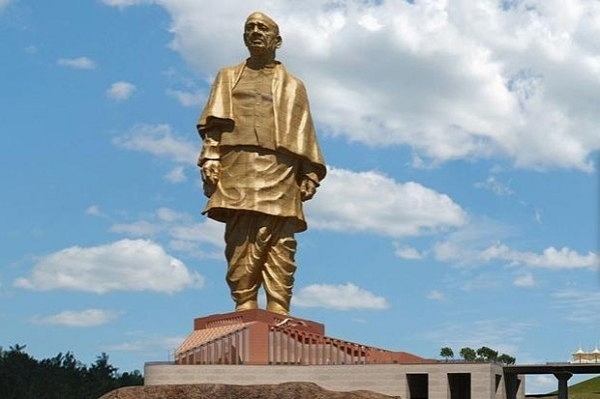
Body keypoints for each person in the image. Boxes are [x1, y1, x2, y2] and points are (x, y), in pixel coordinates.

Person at [196, 11, 326, 315]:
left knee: (281, 238)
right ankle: (245, 303)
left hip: (280, 167)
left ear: (277, 40)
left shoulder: (294, 86)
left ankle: (279, 308)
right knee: (240, 237)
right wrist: (211, 155)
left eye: (263, 28)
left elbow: (304, 129)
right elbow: (213, 125)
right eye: (249, 28)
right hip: (237, 163)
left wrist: (309, 171)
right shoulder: (228, 76)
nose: (255, 31)